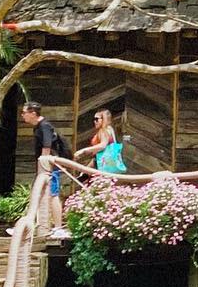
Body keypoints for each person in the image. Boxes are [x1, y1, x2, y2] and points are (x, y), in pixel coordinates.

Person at [20, 101, 69, 238]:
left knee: (53, 194)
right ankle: (37, 227)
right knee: (40, 194)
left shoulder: (44, 126)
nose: (22, 115)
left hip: (50, 166)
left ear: (33, 114)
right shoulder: (37, 127)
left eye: (24, 113)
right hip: (45, 167)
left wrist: (43, 168)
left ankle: (58, 227)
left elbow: (47, 147)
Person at [76, 107, 125, 175]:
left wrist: (83, 150)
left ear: (103, 119)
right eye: (94, 119)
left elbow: (103, 145)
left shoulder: (103, 131)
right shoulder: (110, 129)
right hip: (105, 164)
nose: (94, 121)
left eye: (97, 119)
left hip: (102, 166)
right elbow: (99, 155)